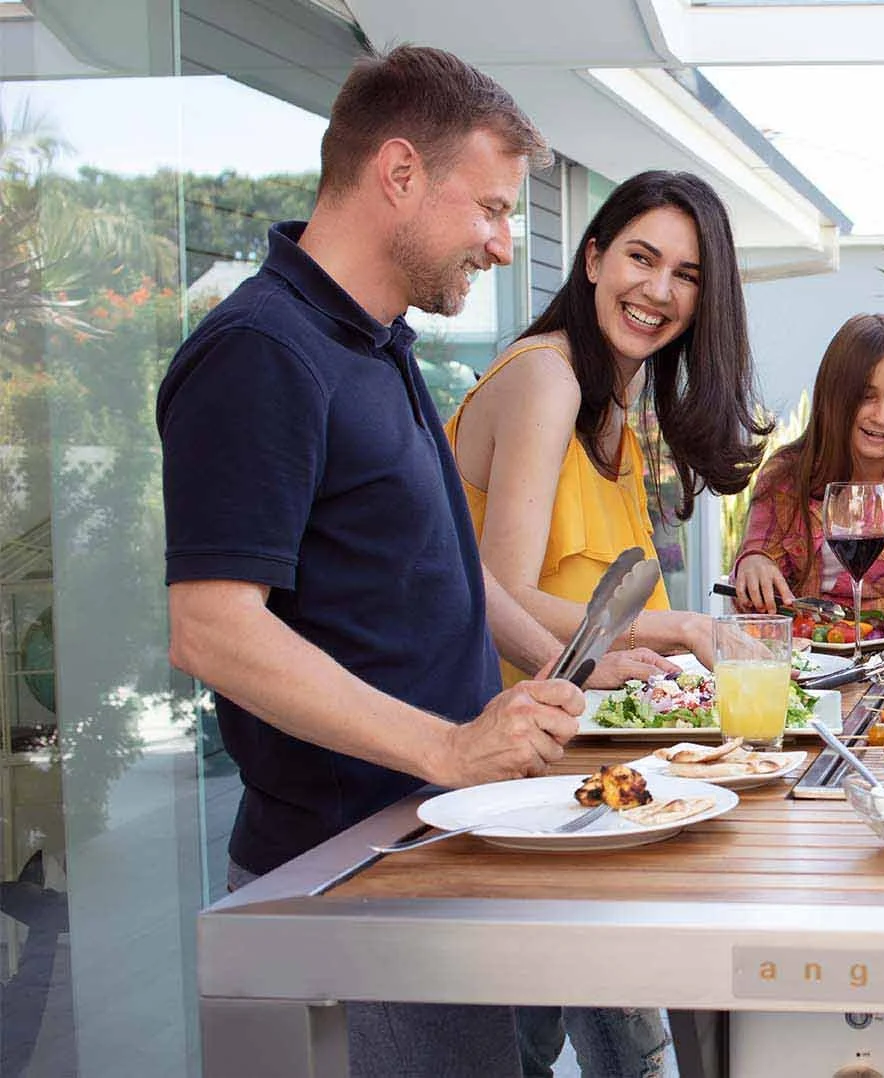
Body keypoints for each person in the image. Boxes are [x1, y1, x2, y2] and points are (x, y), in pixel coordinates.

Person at [159, 45, 582, 1076]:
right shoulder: (264, 349)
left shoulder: (379, 344)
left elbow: (445, 566)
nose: (496, 244)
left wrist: (582, 667)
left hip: (431, 846)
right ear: (399, 173)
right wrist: (446, 749)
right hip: (351, 871)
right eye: (486, 208)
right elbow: (211, 626)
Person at [448, 170, 768, 693]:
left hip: (592, 723)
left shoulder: (624, 387)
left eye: (687, 275)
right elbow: (501, 596)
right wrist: (687, 627)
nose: (659, 291)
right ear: (594, 259)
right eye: (641, 258)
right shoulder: (547, 378)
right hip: (511, 731)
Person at [730, 313, 884, 627]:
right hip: (802, 659)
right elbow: (759, 579)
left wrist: (829, 617)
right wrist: (753, 563)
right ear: (835, 396)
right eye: (866, 397)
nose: (882, 417)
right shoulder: (785, 476)